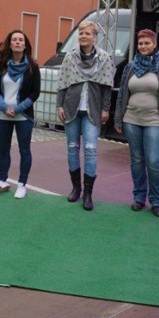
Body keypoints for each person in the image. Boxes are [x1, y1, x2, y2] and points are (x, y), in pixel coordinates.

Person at [113, 29, 159, 217]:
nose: (143, 46)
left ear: (155, 44)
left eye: (147, 43)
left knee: (154, 161)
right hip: (131, 119)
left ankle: (156, 201)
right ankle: (139, 198)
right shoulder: (130, 67)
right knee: (137, 161)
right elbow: (123, 93)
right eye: (140, 44)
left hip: (155, 120)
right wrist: (118, 117)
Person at [57, 20, 115, 211]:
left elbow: (107, 87)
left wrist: (106, 109)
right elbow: (62, 83)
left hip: (93, 110)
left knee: (90, 150)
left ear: (95, 37)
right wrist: (59, 105)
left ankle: (88, 194)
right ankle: (76, 188)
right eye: (81, 33)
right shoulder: (70, 58)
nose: (83, 36)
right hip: (71, 109)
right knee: (72, 148)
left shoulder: (105, 58)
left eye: (87, 33)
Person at [0, 30, 40, 199]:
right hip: (3, 115)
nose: (17, 42)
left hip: (23, 116)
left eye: (21, 40)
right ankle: (2, 180)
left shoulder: (32, 66)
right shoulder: (2, 65)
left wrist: (18, 109)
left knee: (24, 150)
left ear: (25, 45)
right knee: (3, 150)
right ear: (9, 44)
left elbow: (35, 93)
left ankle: (22, 184)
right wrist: (4, 107)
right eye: (14, 40)